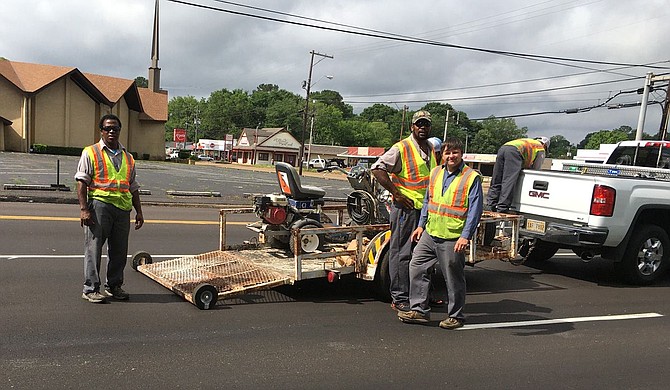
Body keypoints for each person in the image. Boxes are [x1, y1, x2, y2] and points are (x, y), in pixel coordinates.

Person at [398, 137, 483, 329]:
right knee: (417, 266)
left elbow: (475, 210)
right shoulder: (436, 172)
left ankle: (456, 316)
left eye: (455, 152)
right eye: (447, 153)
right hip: (431, 232)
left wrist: (465, 236)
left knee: (453, 278)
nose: (451, 156)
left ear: (461, 154)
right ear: (442, 155)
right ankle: (419, 310)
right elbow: (428, 201)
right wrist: (421, 225)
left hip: (453, 236)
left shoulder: (471, 177)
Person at [371, 110, 438, 312]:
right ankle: (400, 297)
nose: (422, 128)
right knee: (402, 253)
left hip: (426, 212)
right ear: (412, 127)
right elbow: (377, 169)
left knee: (425, 255)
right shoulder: (402, 148)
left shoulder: (432, 149)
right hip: (406, 210)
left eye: (426, 124)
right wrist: (396, 193)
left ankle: (421, 296)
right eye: (419, 124)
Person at [75, 114, 144, 303]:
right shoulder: (91, 152)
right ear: (101, 131)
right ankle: (90, 289)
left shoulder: (128, 157)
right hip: (99, 206)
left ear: (120, 131)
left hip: (122, 209)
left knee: (119, 251)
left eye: (115, 128)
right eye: (108, 128)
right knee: (94, 249)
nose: (112, 131)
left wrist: (139, 211)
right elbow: (81, 181)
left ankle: (114, 286)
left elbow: (133, 185)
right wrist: (83, 209)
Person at [486, 136, 550, 213]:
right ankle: (502, 207)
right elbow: (536, 169)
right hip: (515, 152)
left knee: (497, 179)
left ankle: (490, 204)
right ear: (545, 145)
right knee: (509, 181)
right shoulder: (540, 148)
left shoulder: (527, 142)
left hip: (503, 148)